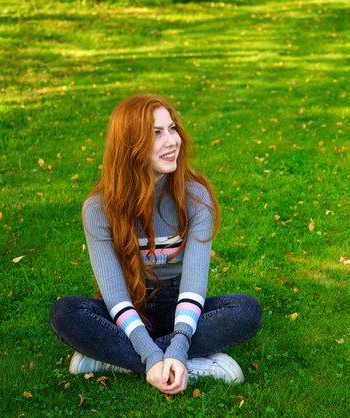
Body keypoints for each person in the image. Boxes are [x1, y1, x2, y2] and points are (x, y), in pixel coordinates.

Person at [49, 94, 262, 395]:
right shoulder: (98, 209)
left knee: (246, 310)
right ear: (130, 145)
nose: (172, 140)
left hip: (180, 306)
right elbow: (115, 297)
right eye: (157, 133)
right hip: (129, 308)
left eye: (172, 129)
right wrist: (149, 354)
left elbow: (193, 286)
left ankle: (117, 359)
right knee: (65, 313)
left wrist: (178, 344)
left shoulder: (196, 197)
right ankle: (186, 366)